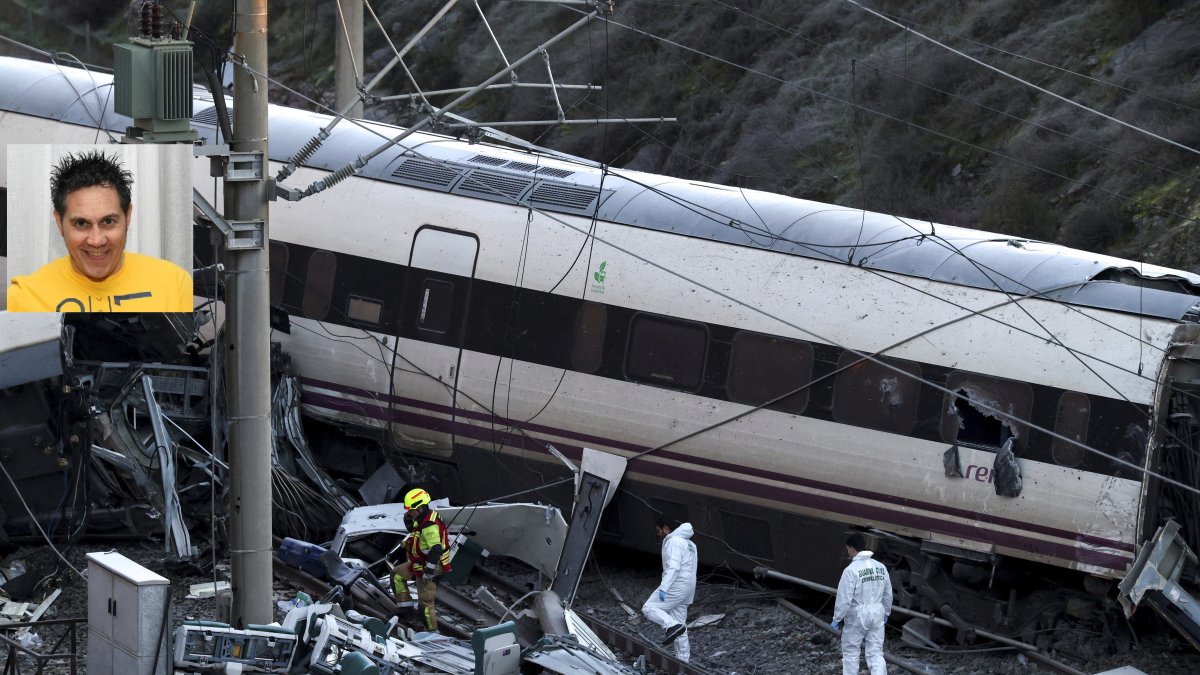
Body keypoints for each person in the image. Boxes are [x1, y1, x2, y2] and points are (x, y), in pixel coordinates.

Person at [7, 150, 192, 312]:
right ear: (58, 222)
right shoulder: (24, 297)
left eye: (108, 221)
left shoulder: (174, 284)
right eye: (81, 223)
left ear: (127, 217)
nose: (96, 241)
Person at [390, 488, 452, 633]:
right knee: (397, 575)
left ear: (419, 508)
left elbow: (436, 549)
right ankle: (405, 610)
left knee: (425, 604)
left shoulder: (429, 525)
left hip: (431, 566)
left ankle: (432, 632)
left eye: (411, 510)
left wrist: (429, 571)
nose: (409, 512)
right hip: (420, 563)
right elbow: (414, 531)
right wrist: (407, 520)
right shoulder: (423, 518)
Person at [831, 532, 893, 675]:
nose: (848, 552)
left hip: (857, 615)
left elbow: (844, 598)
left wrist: (837, 618)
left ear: (852, 549)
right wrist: (887, 612)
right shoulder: (880, 567)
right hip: (877, 612)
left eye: (848, 549)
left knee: (851, 652)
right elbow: (887, 593)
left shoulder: (851, 570)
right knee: (876, 653)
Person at [641, 515, 697, 662]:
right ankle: (683, 662)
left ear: (666, 528)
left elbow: (674, 567)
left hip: (676, 585)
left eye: (659, 529)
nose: (658, 533)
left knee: (648, 608)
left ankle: (670, 626)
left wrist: (664, 588)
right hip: (688, 588)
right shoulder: (690, 544)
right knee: (681, 625)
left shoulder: (673, 541)